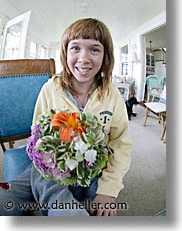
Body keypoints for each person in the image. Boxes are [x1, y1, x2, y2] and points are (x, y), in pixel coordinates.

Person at [0, 18, 132, 216]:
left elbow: (121, 144)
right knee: (9, 201)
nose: (84, 58)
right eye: (75, 48)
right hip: (49, 170)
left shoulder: (112, 95)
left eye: (94, 49)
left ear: (105, 56)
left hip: (93, 171)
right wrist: (51, 161)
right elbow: (37, 135)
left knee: (95, 207)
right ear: (65, 52)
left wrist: (109, 190)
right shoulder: (50, 89)